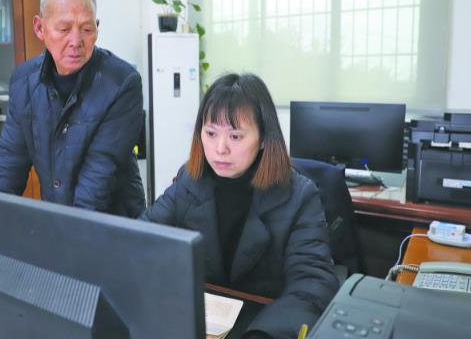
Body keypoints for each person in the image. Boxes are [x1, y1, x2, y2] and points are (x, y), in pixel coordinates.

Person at [140, 73, 339, 339]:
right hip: (198, 323)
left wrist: (263, 335)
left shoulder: (299, 195)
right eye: (211, 133)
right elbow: (142, 238)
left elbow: (312, 284)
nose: (220, 148)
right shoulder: (190, 180)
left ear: (264, 139)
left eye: (235, 136)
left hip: (263, 325)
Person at [0, 0, 145, 217]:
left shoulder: (121, 82)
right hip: (62, 221)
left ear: (97, 28)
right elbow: (9, 165)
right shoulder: (24, 82)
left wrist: (68, 232)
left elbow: (98, 177)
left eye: (87, 29)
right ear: (40, 28)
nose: (76, 41)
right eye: (63, 29)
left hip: (113, 223)